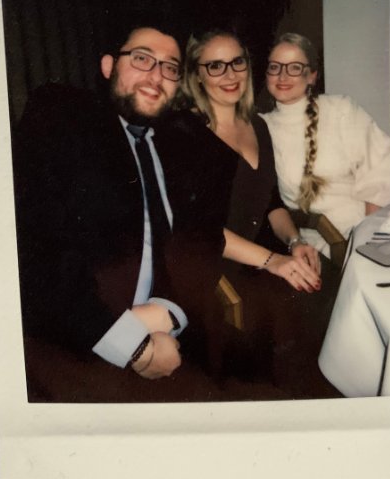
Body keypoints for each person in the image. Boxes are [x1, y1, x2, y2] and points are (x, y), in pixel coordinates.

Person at [13, 23, 230, 403]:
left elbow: (206, 240)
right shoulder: (64, 123)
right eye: (142, 59)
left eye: (170, 67)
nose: (156, 76)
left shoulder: (183, 145)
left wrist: (170, 312)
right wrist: (129, 342)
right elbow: (39, 249)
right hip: (77, 344)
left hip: (167, 337)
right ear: (108, 65)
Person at [183, 30, 342, 398]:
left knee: (325, 278)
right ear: (197, 75)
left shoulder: (258, 125)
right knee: (278, 310)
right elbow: (200, 230)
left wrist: (295, 241)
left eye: (237, 62)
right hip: (216, 263)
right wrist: (273, 261)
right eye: (215, 65)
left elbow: (272, 204)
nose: (230, 74)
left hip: (264, 250)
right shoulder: (186, 133)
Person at [261, 33, 390, 257]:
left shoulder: (340, 109)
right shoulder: (262, 128)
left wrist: (367, 243)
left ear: (312, 76)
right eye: (275, 67)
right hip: (318, 245)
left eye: (295, 68)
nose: (283, 76)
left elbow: (382, 174)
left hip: (371, 232)